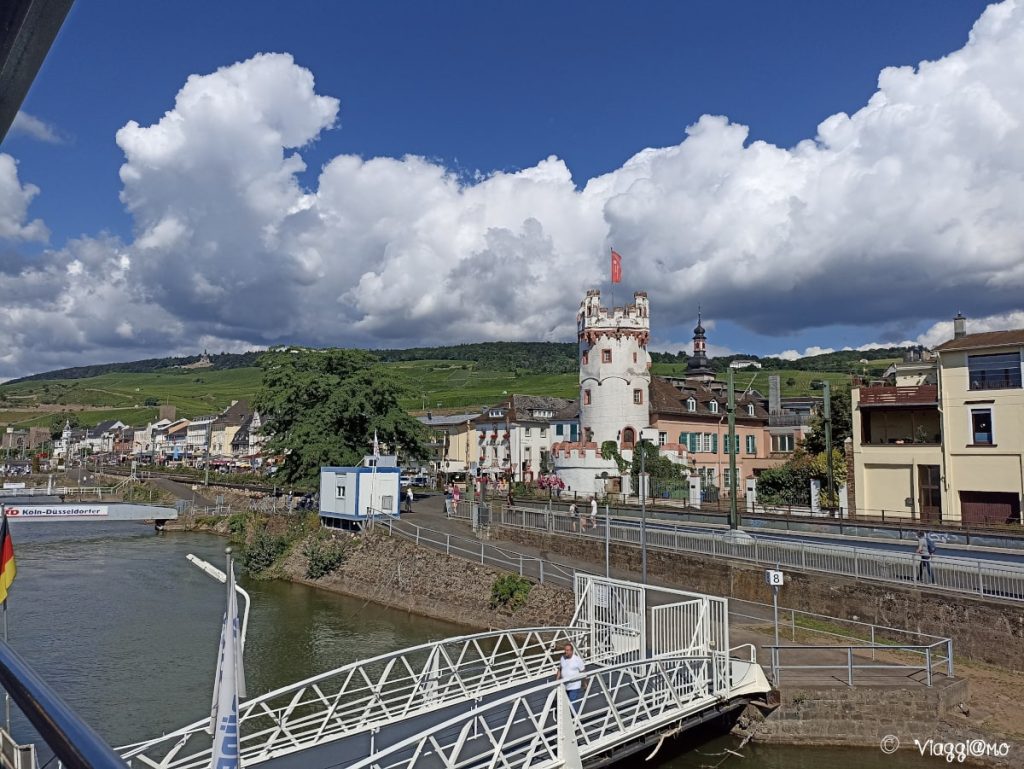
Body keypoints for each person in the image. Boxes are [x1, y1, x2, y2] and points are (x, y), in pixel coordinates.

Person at [555, 642, 586, 712]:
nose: (566, 652)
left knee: (572, 702)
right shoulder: (562, 658)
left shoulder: (577, 659)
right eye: (565, 650)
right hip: (565, 685)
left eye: (568, 650)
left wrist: (585, 683)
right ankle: (569, 715)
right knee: (565, 702)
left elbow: (583, 671)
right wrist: (557, 680)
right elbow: (560, 669)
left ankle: (575, 716)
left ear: (572, 651)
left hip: (574, 685)